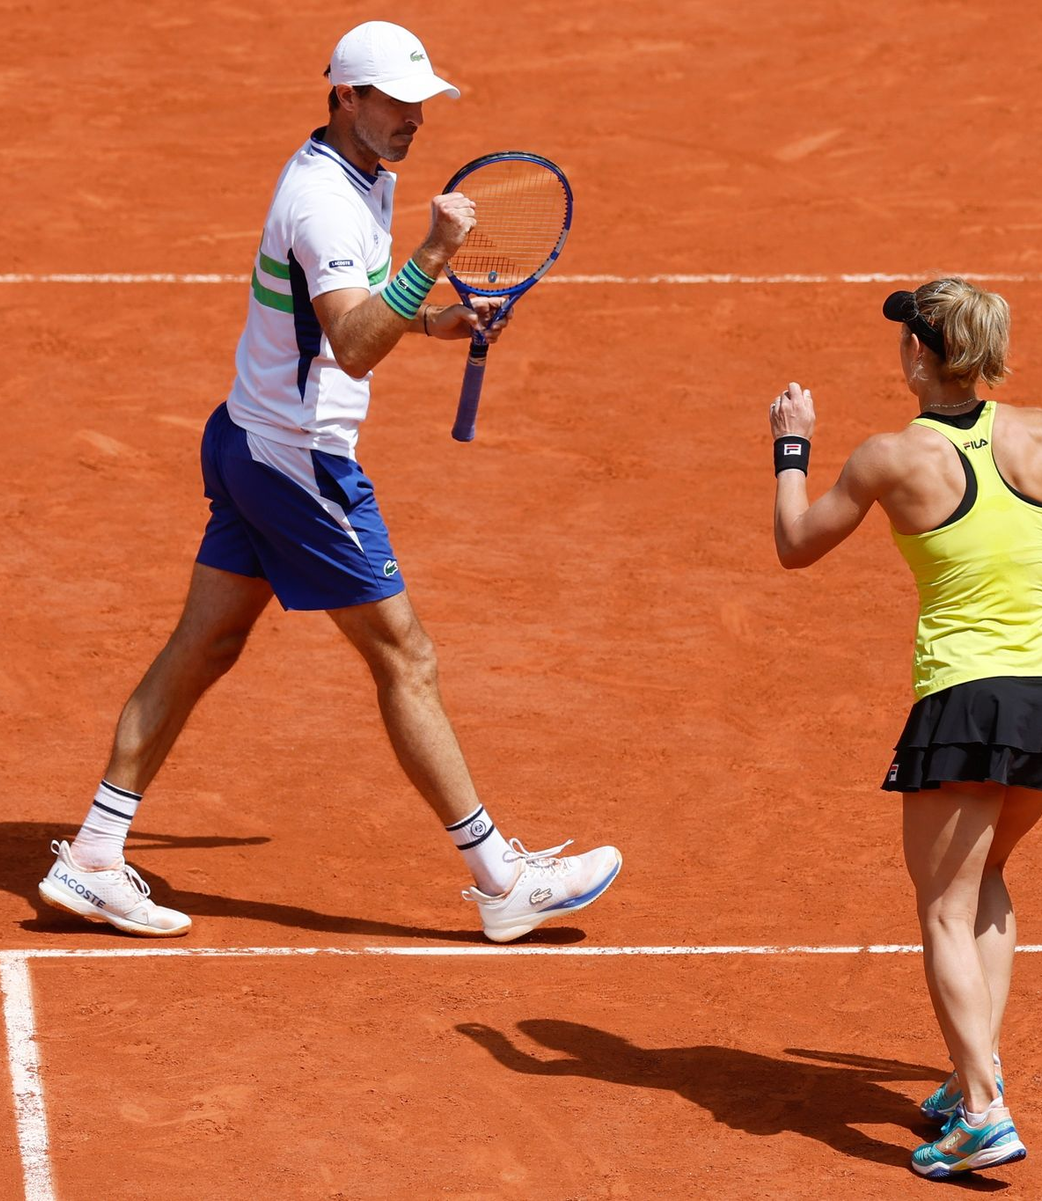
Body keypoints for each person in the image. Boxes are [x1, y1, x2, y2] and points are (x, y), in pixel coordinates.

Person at [38, 21, 621, 944]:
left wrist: (431, 325)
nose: (414, 120)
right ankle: (500, 879)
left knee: (207, 642)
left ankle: (97, 853)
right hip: (297, 461)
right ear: (345, 96)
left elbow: (349, 329)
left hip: (246, 434)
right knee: (405, 655)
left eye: (423, 102)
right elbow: (350, 342)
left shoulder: (360, 174)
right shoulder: (324, 202)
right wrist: (432, 255)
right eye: (395, 101)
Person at [768, 277, 1042, 1181]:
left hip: (963, 700)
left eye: (906, 332)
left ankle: (984, 1111)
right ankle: (970, 1071)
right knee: (988, 876)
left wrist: (791, 445)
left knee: (944, 907)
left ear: (920, 353)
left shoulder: (886, 457)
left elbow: (795, 543)